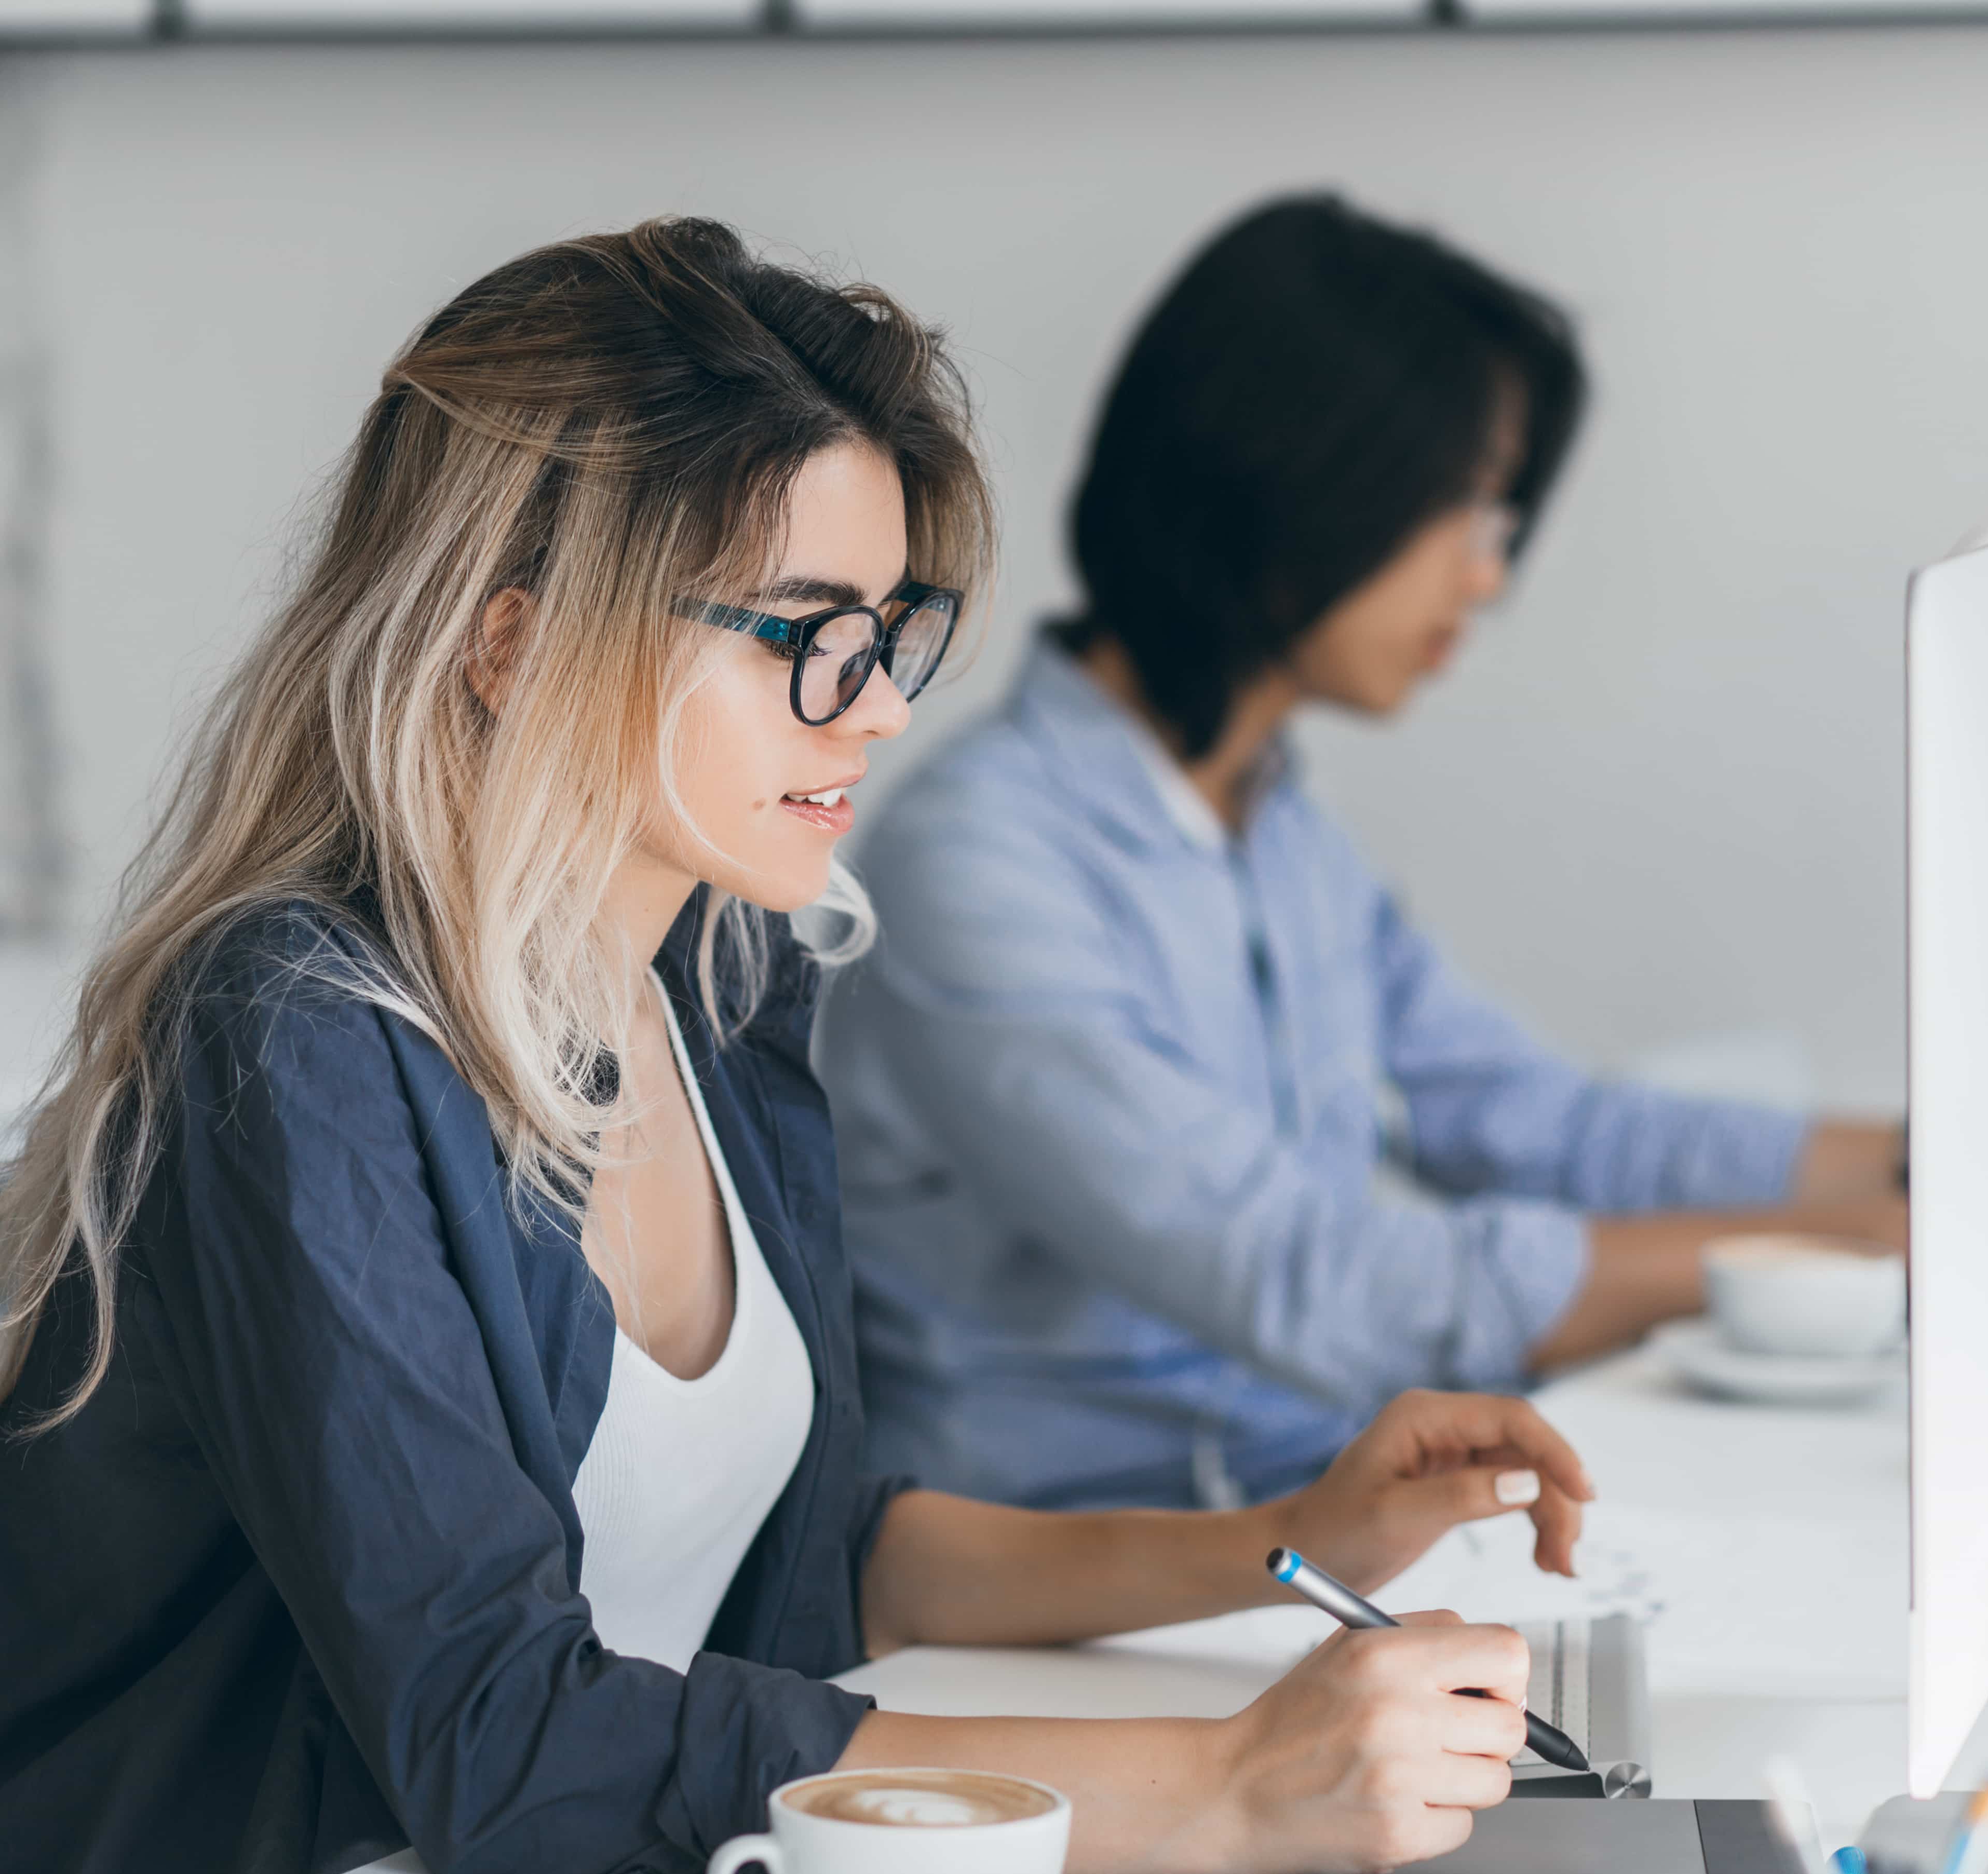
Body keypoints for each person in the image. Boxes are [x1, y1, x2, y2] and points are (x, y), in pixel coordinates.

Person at [0, 218, 1602, 1874]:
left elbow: (811, 1557)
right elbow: (500, 1734)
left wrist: (1279, 1540)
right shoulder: (295, 1032)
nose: (869, 708)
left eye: (886, 632)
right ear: (510, 645)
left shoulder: (721, 990)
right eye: (802, 632)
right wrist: (1227, 1784)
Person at [818, 194, 1910, 1515]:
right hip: (1087, 1594)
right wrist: (1857, 1249)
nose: (1484, 578)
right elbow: (1313, 1279)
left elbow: (1546, 1129)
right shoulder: (976, 866)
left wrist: (1957, 1152)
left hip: (1314, 1526)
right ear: (1290, 476)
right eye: (1460, 510)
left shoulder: (1279, 832)